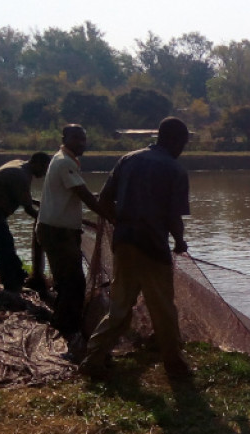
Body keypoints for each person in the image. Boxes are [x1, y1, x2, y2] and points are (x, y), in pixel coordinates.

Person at [79, 117, 193, 381]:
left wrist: (120, 223)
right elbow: (174, 217)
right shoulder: (175, 170)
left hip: (124, 242)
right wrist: (179, 241)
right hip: (153, 246)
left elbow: (104, 199)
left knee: (120, 305)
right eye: (183, 144)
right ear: (176, 141)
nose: (182, 150)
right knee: (163, 307)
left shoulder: (128, 159)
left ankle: (93, 358)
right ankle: (174, 364)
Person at [36, 124, 102, 339]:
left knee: (67, 280)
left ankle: (64, 323)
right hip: (57, 233)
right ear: (64, 138)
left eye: (84, 138)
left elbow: (80, 193)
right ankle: (68, 329)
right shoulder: (64, 162)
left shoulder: (67, 160)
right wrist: (112, 216)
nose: (81, 143)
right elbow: (84, 194)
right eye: (76, 138)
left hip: (59, 231)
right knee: (73, 282)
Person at [0, 152, 50, 298]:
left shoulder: (20, 166)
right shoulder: (21, 175)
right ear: (37, 163)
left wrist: (37, 204)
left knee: (6, 243)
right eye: (45, 169)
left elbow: (23, 196)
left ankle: (17, 279)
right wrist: (47, 221)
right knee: (4, 245)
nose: (45, 173)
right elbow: (28, 209)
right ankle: (11, 286)